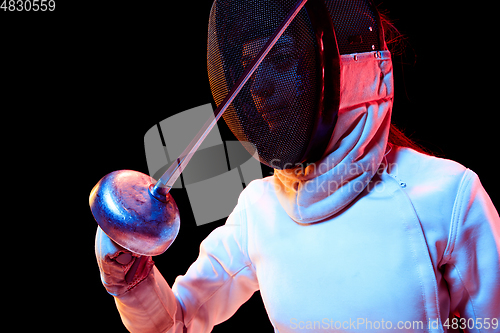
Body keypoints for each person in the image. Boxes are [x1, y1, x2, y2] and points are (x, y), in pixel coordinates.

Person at [94, 0, 500, 332]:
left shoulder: (446, 194)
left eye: (283, 60)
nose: (259, 87)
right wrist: (131, 278)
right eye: (252, 67)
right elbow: (175, 323)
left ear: (348, 70)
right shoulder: (259, 209)